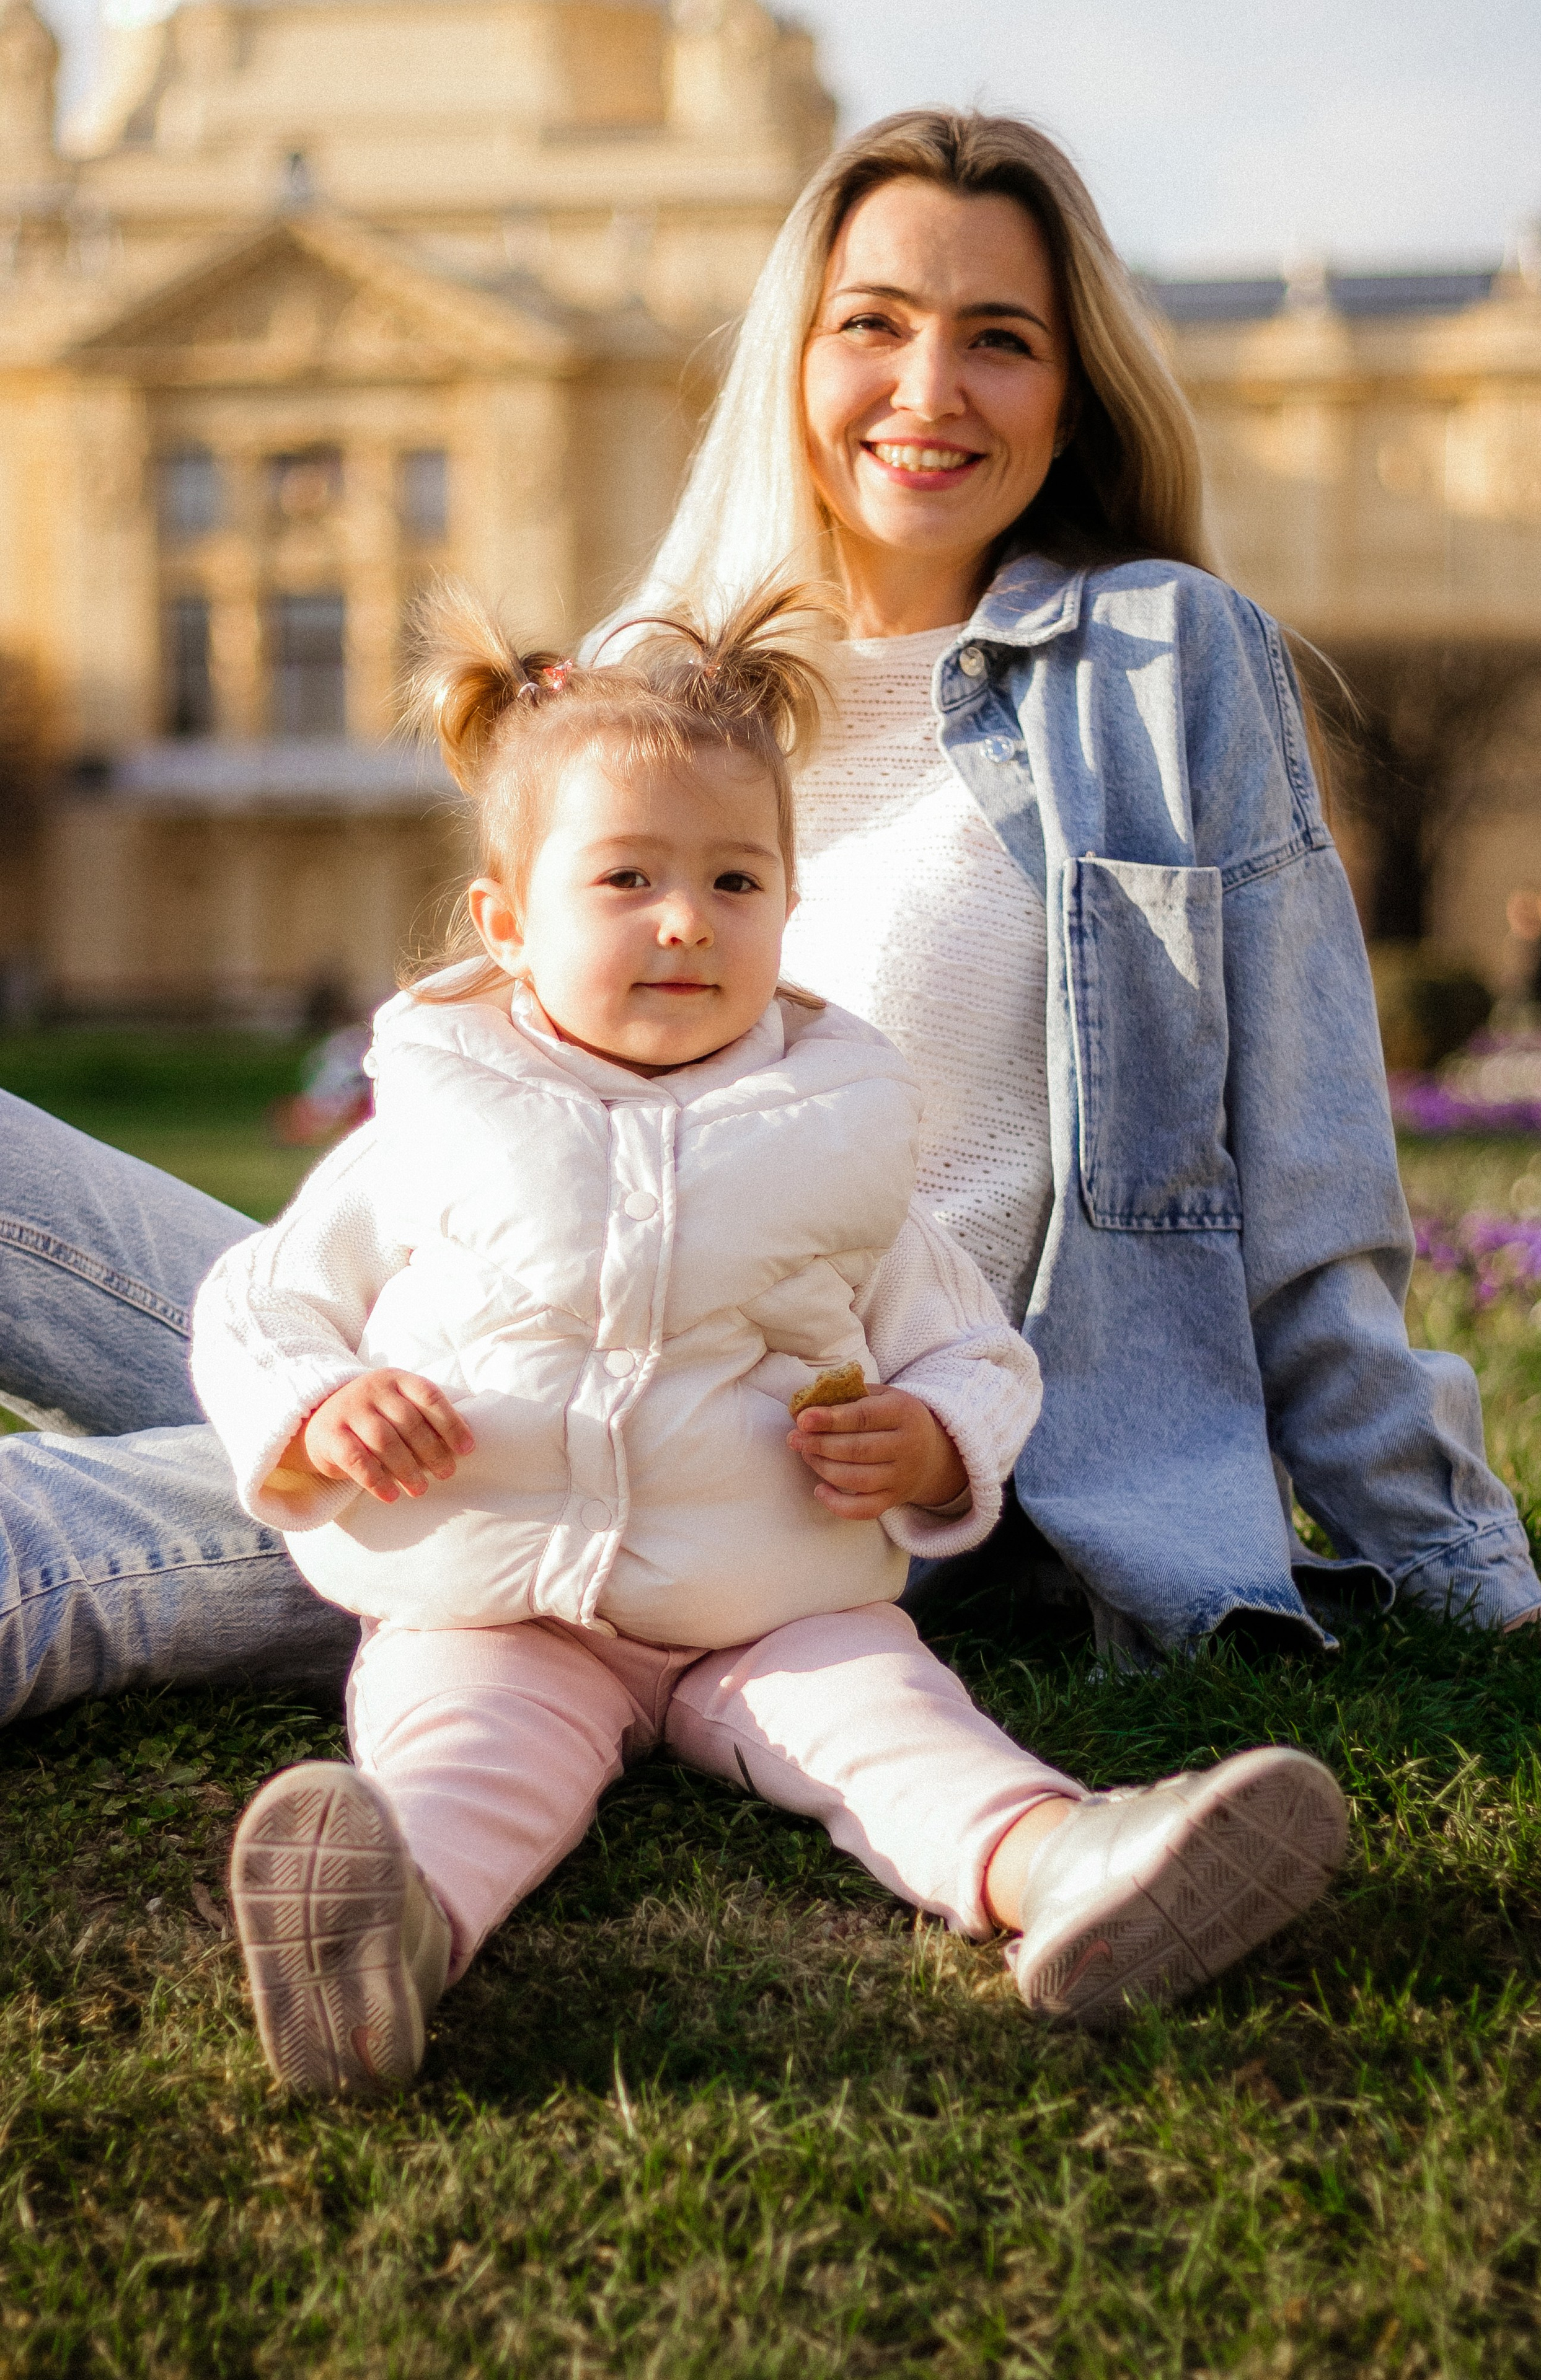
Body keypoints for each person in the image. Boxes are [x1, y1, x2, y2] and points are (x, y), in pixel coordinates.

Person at [0, 105, 1541, 1733]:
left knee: (60, 1540)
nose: (928, 389)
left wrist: (1462, 1569)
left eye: (1000, 340)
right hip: (498, 1333)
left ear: (1072, 397)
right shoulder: (656, 678)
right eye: (872, 325)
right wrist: (338, 1357)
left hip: (792, 1455)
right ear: (792, 362)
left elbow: (1312, 1178)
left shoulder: (1159, 661)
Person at [198, 583, 1346, 2092]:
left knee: (898, 1732)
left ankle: (1071, 1867)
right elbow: (262, 1301)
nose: (686, 919)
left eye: (734, 881)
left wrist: (930, 1443)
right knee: (458, 1766)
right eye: (625, 878)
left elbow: (972, 1353)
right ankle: (388, 1933)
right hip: (493, 1604)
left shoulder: (835, 1136)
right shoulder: (438, 1121)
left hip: (770, 1602)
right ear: (507, 923)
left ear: (789, 911)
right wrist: (320, 1401)